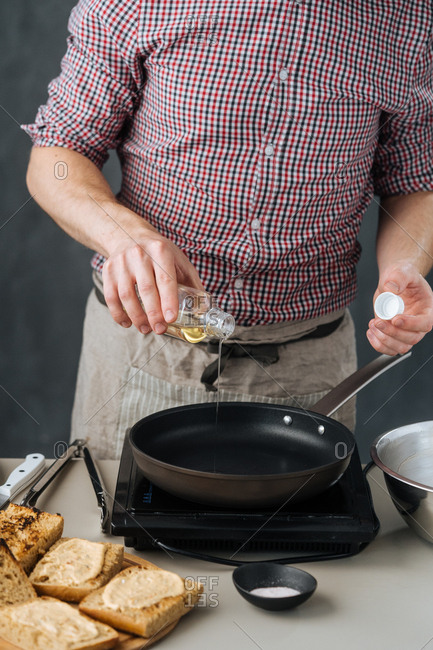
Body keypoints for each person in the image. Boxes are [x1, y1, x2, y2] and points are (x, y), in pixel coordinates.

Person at [24, 0, 433, 459]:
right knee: (112, 531)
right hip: (143, 345)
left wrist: (404, 266)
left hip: (309, 365)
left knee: (301, 531)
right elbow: (57, 156)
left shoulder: (406, 16)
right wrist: (126, 237)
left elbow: (414, 183)